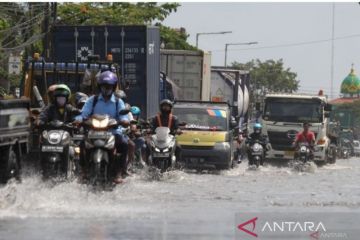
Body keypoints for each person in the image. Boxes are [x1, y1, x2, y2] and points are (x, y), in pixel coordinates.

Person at [75, 71, 129, 184]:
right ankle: (84, 172)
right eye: (104, 86)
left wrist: (124, 121)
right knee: (81, 144)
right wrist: (79, 120)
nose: (106, 89)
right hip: (94, 131)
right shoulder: (92, 100)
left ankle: (119, 173)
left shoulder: (118, 102)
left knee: (124, 144)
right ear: (100, 87)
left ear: (113, 87)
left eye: (109, 86)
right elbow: (83, 113)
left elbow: (124, 116)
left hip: (113, 132)